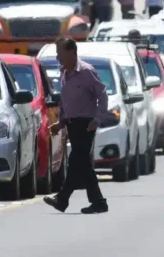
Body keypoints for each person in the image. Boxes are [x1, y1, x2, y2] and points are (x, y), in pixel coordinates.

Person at [43, 37, 109, 214]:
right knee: (82, 164)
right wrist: (61, 122)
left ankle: (63, 198)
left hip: (86, 124)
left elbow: (102, 95)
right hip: (72, 125)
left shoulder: (86, 71)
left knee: (76, 161)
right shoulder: (64, 73)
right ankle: (97, 202)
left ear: (71, 52)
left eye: (60, 53)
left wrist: (97, 119)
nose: (57, 57)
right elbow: (65, 101)